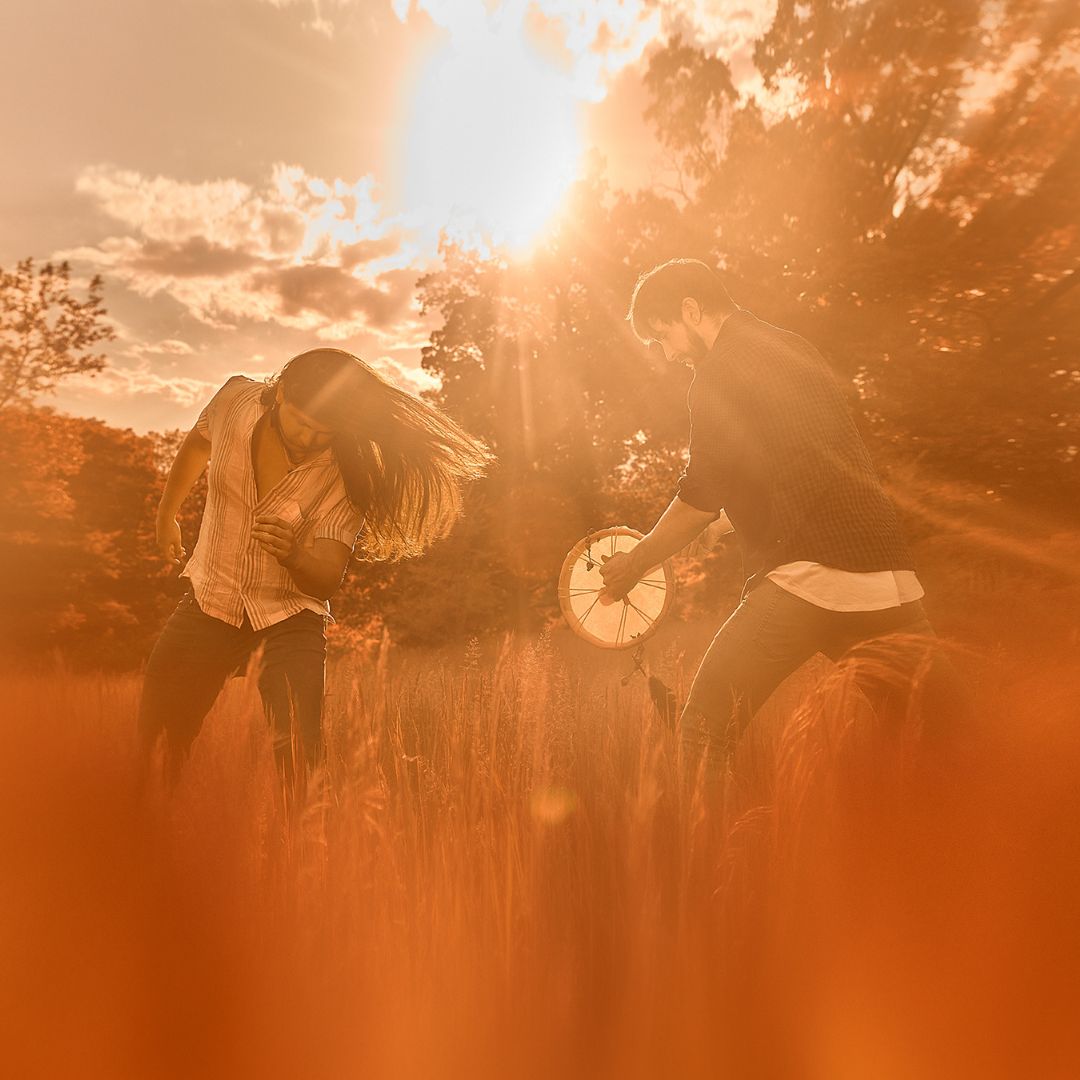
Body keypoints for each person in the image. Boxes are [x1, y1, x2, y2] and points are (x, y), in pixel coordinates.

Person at [600, 259, 956, 770]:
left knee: (702, 731)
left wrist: (635, 563)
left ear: (691, 309)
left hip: (810, 578)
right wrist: (725, 523)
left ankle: (711, 852)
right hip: (887, 574)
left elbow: (699, 495)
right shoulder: (793, 347)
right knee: (943, 734)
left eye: (663, 337)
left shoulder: (717, 372)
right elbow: (807, 461)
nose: (669, 353)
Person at [141, 347, 490, 782]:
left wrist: (294, 555)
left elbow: (325, 580)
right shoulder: (234, 402)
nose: (307, 440)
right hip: (211, 598)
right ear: (281, 393)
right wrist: (166, 513)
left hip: (288, 616)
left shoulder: (348, 475)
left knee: (300, 758)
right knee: (154, 743)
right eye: (301, 424)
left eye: (322, 433)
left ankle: (297, 843)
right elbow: (198, 442)